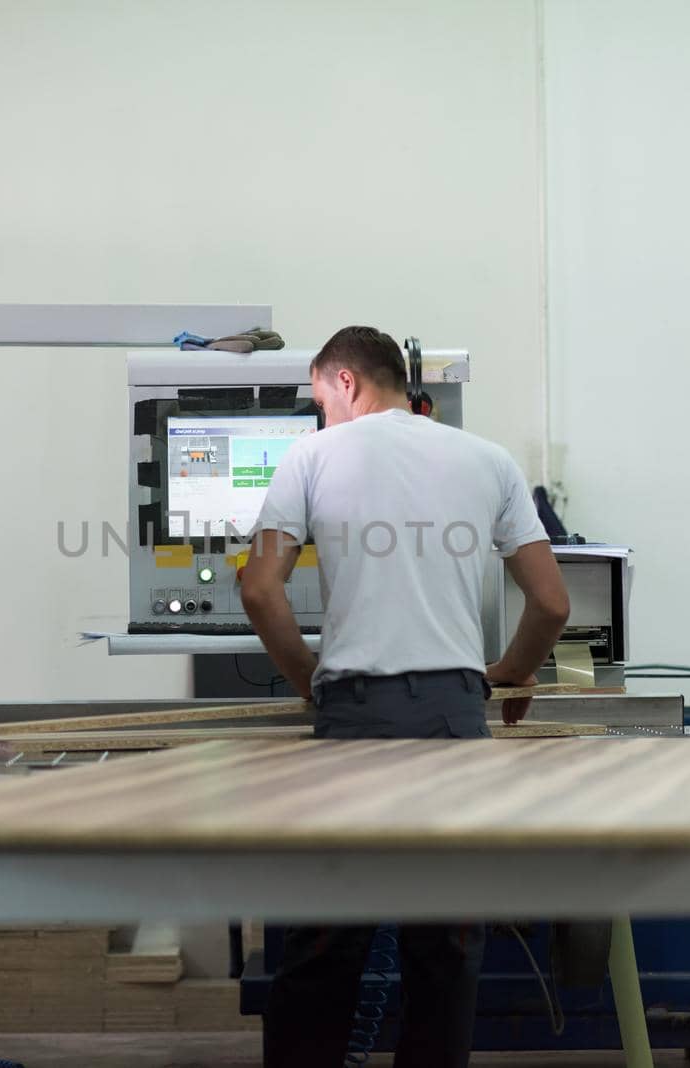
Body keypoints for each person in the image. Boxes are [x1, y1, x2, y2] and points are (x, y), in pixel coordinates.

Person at [240, 325, 572, 1067]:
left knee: (324, 949)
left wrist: (310, 684)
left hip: (354, 719)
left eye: (322, 398)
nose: (322, 415)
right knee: (445, 953)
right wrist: (513, 673)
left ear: (347, 383)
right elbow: (550, 604)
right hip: (455, 720)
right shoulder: (488, 460)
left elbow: (259, 589)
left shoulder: (312, 457)